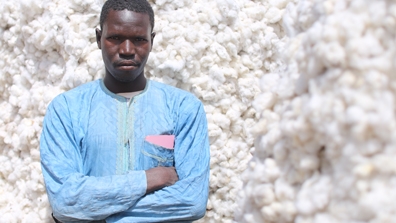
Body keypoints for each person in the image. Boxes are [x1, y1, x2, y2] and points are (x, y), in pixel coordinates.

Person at [39, 0, 210, 222]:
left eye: (138, 39)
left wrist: (97, 210)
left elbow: (192, 201)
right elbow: (65, 201)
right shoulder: (66, 110)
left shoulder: (183, 108)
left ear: (152, 40)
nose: (127, 50)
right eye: (115, 38)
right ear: (99, 38)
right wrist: (148, 179)